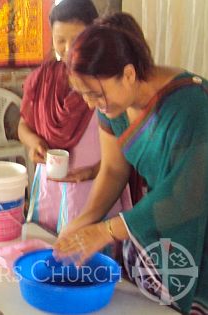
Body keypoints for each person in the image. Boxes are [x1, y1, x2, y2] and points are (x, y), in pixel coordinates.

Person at [52, 21, 208, 314]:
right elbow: (113, 169)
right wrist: (83, 222)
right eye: (84, 95)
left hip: (197, 218)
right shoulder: (114, 105)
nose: (90, 104)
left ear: (128, 74)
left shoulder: (191, 106)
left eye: (96, 95)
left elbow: (188, 196)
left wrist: (106, 231)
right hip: (160, 215)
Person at [18, 0, 131, 233]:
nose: (69, 49)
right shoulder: (43, 79)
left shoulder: (108, 81)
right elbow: (23, 126)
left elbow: (127, 146)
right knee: (50, 253)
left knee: (91, 255)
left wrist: (94, 170)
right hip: (52, 187)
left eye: (77, 39)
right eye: (60, 40)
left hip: (97, 187)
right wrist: (35, 143)